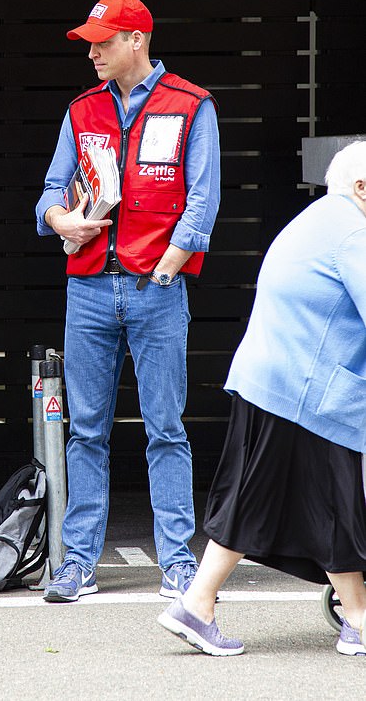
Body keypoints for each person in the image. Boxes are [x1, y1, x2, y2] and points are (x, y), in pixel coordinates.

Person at [35, 0, 221, 602]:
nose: (92, 52)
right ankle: (79, 561)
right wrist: (61, 221)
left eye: (104, 40)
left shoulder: (191, 105)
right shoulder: (82, 108)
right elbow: (51, 190)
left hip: (155, 286)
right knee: (85, 430)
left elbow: (204, 195)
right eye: (89, 41)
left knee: (165, 426)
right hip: (87, 286)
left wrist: (171, 264)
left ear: (137, 39)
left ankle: (177, 561)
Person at [158, 140, 366, 656]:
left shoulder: (318, 219)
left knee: (257, 498)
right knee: (335, 501)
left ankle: (197, 603)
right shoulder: (352, 232)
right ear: (363, 188)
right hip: (309, 390)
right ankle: (359, 618)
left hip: (271, 378)